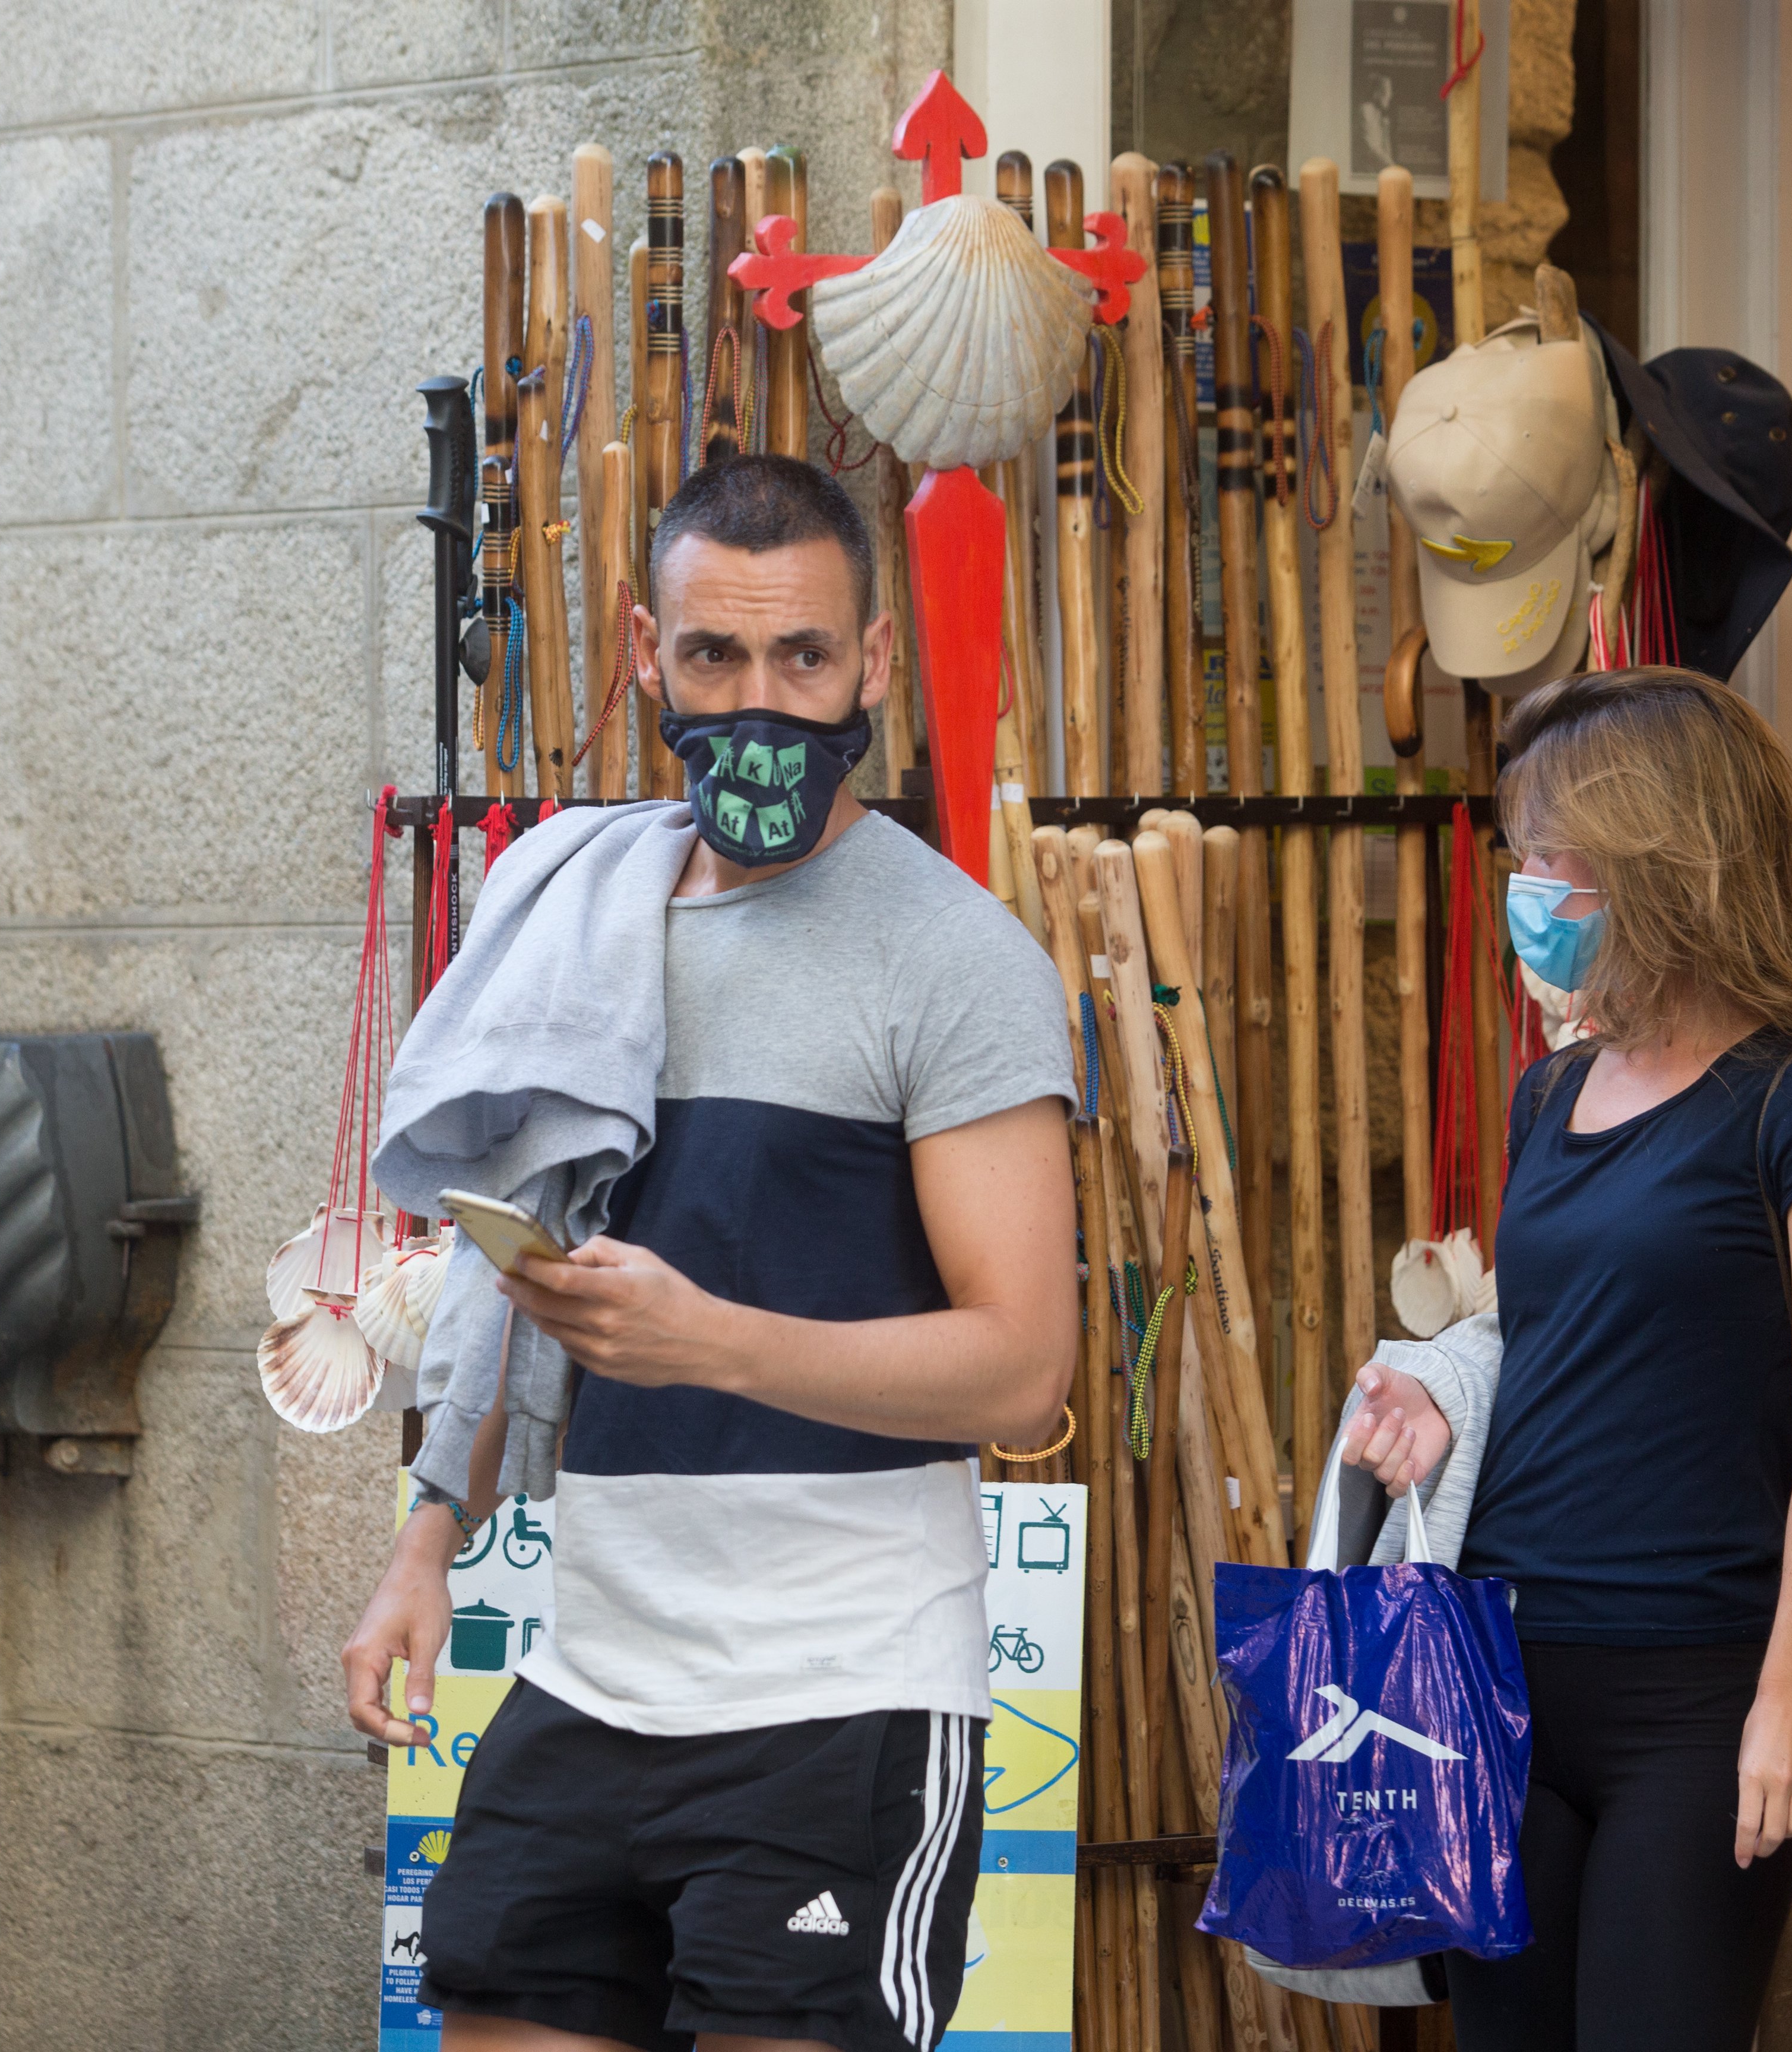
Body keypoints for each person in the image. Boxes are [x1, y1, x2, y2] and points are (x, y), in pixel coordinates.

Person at [342, 455, 1079, 2052]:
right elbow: (504, 1244)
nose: (761, 703)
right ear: (642, 652)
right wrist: (426, 1543)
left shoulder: (957, 962)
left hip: (842, 1703)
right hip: (590, 1675)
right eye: (714, 659)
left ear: (873, 663)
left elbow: (1023, 1367)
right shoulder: (569, 912)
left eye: (803, 658)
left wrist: (709, 1341)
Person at [1341, 667, 1792, 2051]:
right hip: (1500, 1671)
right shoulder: (1551, 1089)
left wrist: (1788, 1696)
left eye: (1554, 858)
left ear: (1665, 857)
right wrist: (1440, 1398)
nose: (1528, 886)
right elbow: (1557, 1342)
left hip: (1698, 1696)